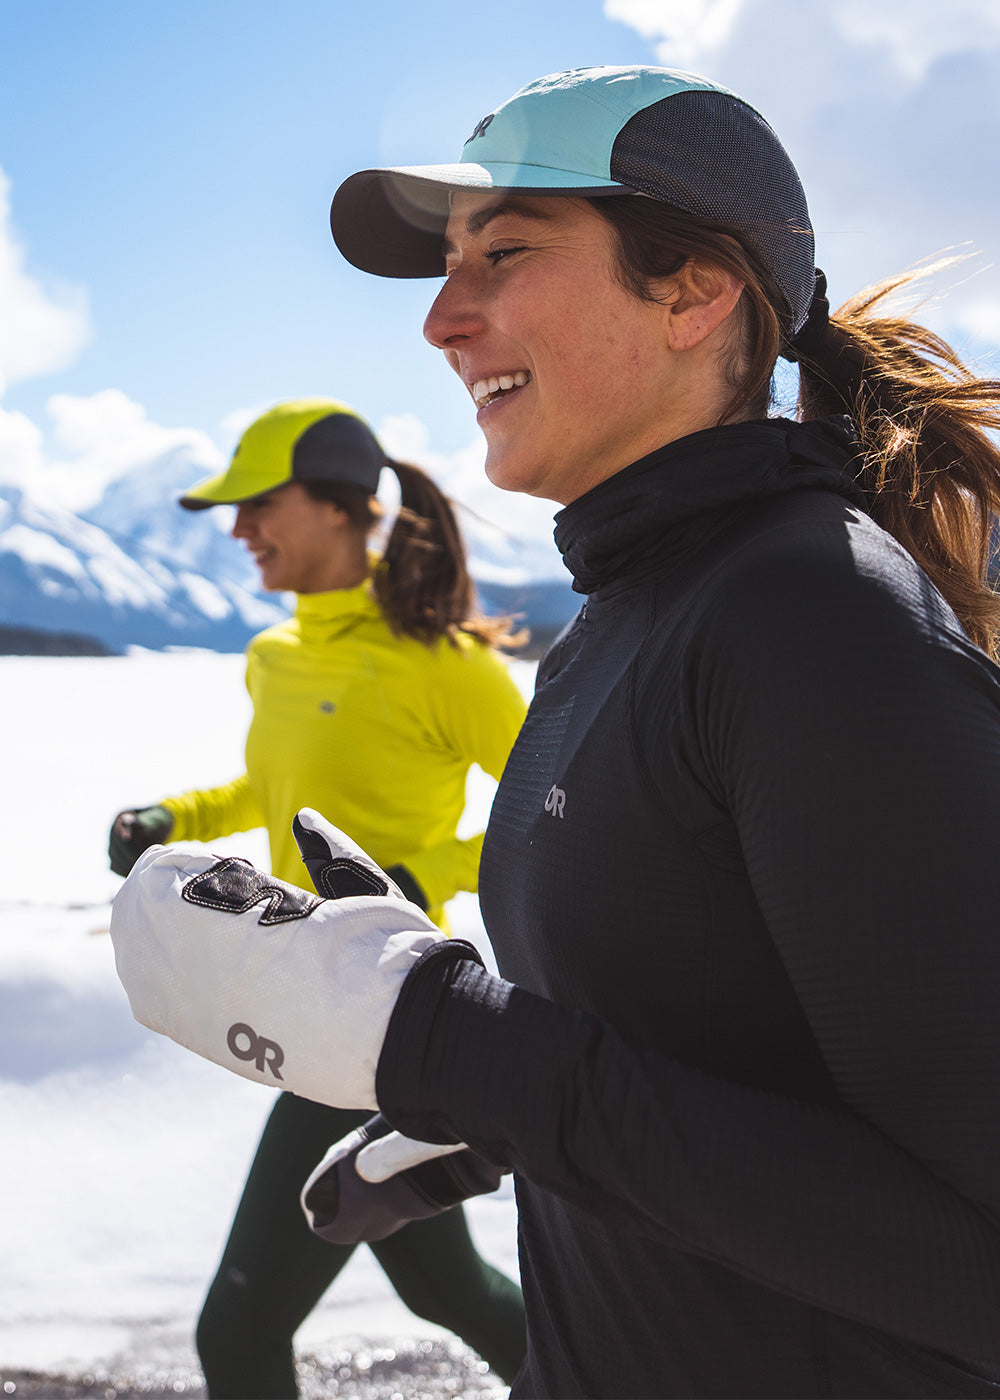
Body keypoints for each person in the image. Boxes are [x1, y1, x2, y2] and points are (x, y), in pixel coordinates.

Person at [110, 69, 1000, 1398]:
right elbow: (710, 1042)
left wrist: (450, 1041)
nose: (440, 319)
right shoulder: (620, 625)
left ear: (695, 292)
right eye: (447, 266)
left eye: (505, 253)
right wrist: (485, 1111)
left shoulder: (814, 620)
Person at [108, 398, 528, 1398]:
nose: (239, 528)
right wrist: (174, 815)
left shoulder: (449, 666)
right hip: (300, 1007)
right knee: (449, 1290)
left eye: (259, 503)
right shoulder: (276, 658)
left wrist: (427, 868)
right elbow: (271, 790)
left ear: (340, 504)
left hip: (383, 1019)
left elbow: (555, 809)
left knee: (238, 1332)